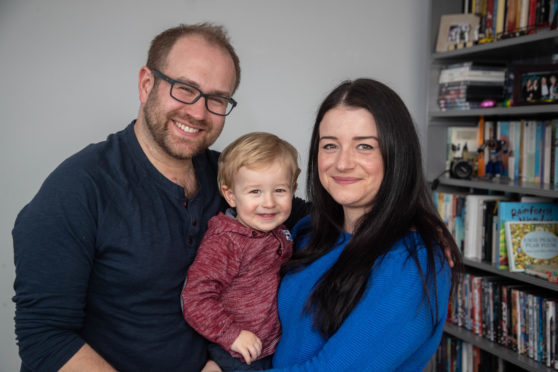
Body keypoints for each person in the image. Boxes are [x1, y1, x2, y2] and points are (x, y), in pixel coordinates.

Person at [12, 23, 306, 372]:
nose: (198, 113)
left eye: (217, 99)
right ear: (146, 84)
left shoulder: (230, 179)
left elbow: (317, 217)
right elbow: (45, 338)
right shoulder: (78, 188)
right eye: (185, 89)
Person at [226, 78, 460, 371]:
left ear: (397, 154)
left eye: (364, 146)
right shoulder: (308, 231)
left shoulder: (413, 262)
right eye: (330, 145)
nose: (342, 163)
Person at [182, 132, 300, 371]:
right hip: (236, 351)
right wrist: (231, 334)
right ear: (231, 196)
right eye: (255, 191)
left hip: (270, 348)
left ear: (293, 190)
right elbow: (195, 298)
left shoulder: (281, 231)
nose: (268, 202)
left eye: (279, 190)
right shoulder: (226, 242)